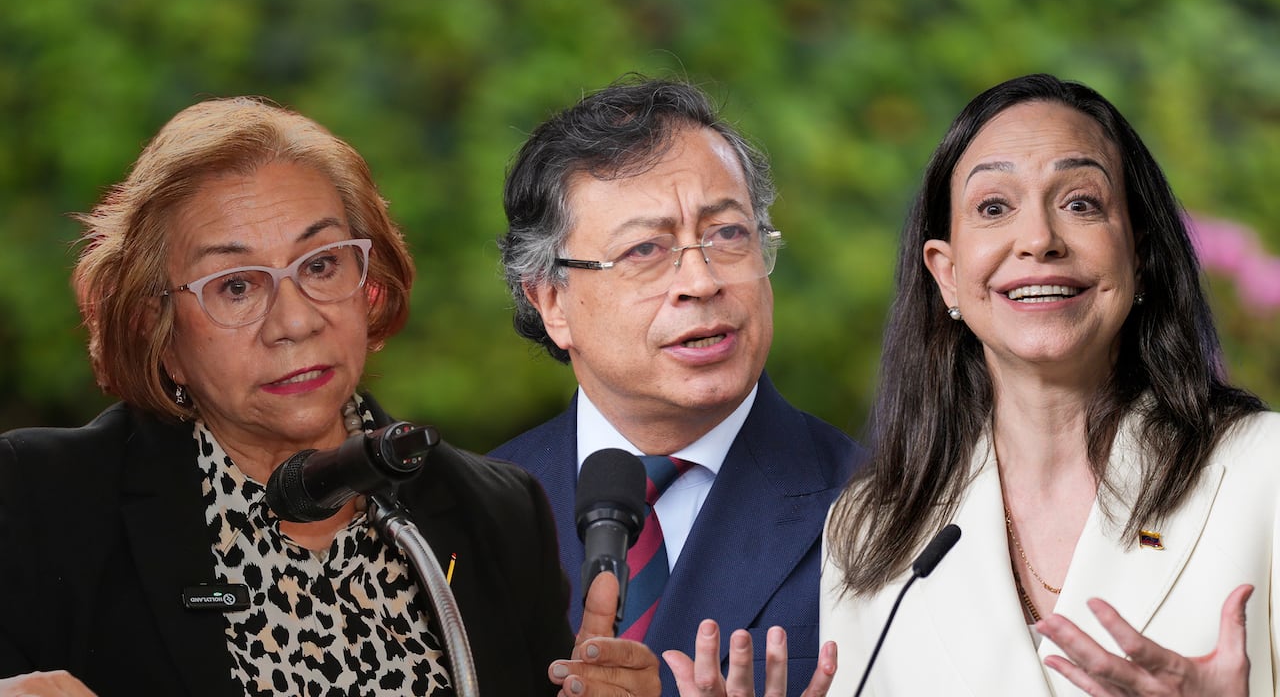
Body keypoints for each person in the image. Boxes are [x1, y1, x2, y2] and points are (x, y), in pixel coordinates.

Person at [0, 97, 659, 697]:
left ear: (369, 287)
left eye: (320, 266)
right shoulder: (38, 502)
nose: (295, 321)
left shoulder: (494, 512)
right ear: (158, 328)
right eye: (236, 286)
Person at [821, 73, 1280, 696]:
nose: (1038, 240)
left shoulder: (1264, 470)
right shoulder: (870, 528)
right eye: (993, 207)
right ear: (947, 275)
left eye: (1080, 203)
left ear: (1138, 255)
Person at [494, 76, 858, 696]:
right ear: (552, 300)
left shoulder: (882, 508)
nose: (701, 279)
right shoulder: (472, 516)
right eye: (645, 250)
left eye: (728, 235)